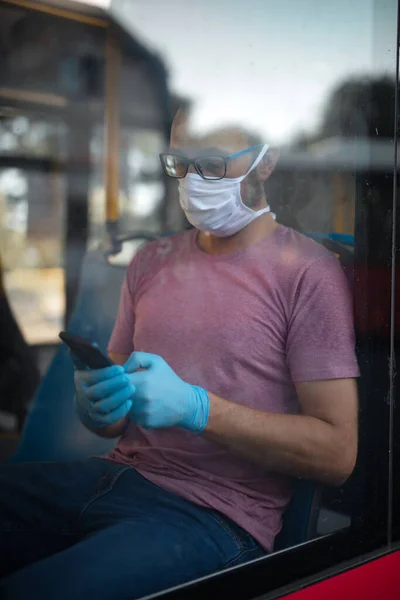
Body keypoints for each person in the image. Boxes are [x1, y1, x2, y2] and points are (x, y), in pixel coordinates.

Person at [0, 111, 359, 600]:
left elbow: (337, 453)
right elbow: (111, 421)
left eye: (211, 163)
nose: (193, 182)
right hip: (114, 473)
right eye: (180, 164)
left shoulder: (308, 274)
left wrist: (198, 408)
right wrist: (100, 406)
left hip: (214, 514)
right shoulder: (151, 262)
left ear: (266, 161)